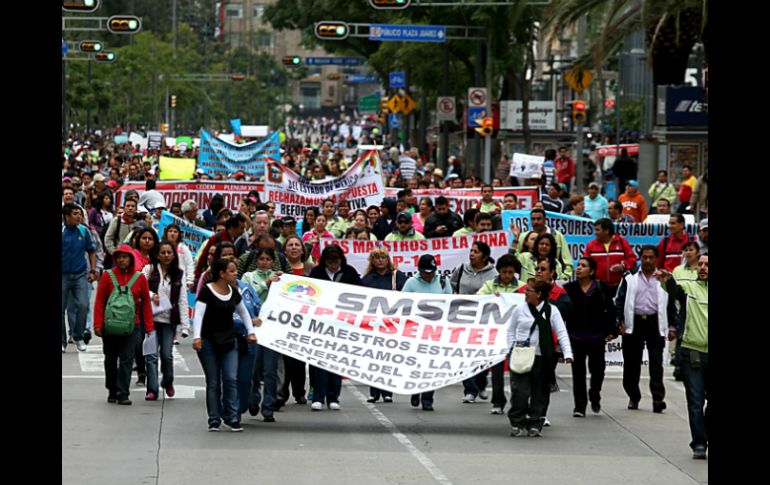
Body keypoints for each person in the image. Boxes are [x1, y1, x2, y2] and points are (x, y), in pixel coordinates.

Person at [193, 258, 259, 431]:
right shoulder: (207, 291)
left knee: (230, 378)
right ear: (222, 274)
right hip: (208, 342)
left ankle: (231, 416)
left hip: (229, 342)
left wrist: (250, 331)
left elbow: (244, 313)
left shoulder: (233, 292)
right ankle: (214, 419)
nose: (235, 273)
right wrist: (196, 337)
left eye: (235, 270)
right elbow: (199, 315)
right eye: (231, 271)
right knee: (213, 381)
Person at [507, 279, 573, 437]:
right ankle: (517, 421)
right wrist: (510, 350)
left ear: (539, 294)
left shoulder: (552, 310)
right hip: (522, 355)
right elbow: (511, 330)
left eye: (529, 290)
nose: (525, 292)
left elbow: (562, 332)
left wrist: (568, 353)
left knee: (540, 392)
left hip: (543, 357)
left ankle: (535, 423)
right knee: (520, 391)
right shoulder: (519, 310)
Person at [658, 254, 708, 459]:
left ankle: (702, 433)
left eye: (707, 265)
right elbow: (674, 290)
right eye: (701, 264)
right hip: (692, 352)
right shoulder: (688, 288)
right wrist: (667, 279)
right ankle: (699, 444)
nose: (703, 267)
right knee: (695, 400)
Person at [614, 245, 676, 413]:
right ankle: (634, 396)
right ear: (640, 258)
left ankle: (658, 399)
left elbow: (670, 304)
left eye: (651, 258)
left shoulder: (663, 278)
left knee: (656, 363)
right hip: (634, 323)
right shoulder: (630, 277)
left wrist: (672, 326)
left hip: (655, 322)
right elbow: (620, 300)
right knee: (632, 363)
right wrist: (619, 320)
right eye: (645, 257)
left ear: (656, 259)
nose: (648, 261)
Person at [93, 244, 154, 405]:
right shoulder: (107, 276)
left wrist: (149, 326)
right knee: (111, 359)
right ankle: (112, 389)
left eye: (125, 257)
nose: (122, 260)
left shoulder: (140, 278)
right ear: (115, 259)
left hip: (131, 325)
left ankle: (123, 393)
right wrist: (97, 324)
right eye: (119, 257)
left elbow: (146, 304)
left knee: (127, 359)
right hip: (110, 326)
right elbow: (99, 301)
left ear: (131, 259)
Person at [308, 245, 362, 410]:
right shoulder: (317, 273)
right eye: (329, 262)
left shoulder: (350, 273)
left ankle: (333, 397)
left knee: (336, 361)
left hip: (341, 325)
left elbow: (361, 295)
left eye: (336, 262)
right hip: (320, 324)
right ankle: (318, 396)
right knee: (318, 362)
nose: (333, 265)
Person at [564, 257, 618, 417]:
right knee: (578, 372)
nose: (579, 268)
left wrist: (612, 330)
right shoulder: (570, 288)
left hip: (596, 336)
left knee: (598, 370)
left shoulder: (601, 288)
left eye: (583, 266)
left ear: (592, 271)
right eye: (578, 265)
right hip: (575, 336)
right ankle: (579, 406)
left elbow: (610, 309)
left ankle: (595, 393)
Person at [477, 254, 525, 414]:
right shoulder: (490, 285)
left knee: (517, 370)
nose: (507, 276)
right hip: (496, 335)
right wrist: (491, 297)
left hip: (517, 335)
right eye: (504, 272)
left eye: (510, 272)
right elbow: (478, 299)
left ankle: (518, 402)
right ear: (499, 271)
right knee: (496, 369)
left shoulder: (522, 287)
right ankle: (497, 401)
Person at [403, 255, 452, 410]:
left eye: (431, 272)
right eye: (425, 272)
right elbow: (402, 304)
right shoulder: (411, 283)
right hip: (416, 330)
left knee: (431, 365)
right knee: (417, 364)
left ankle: (427, 398)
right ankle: (416, 389)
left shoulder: (443, 281)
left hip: (436, 331)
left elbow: (450, 304)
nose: (428, 275)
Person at [450, 241, 498, 403]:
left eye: (476, 252)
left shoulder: (494, 274)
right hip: (463, 318)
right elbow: (451, 286)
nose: (471, 254)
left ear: (484, 257)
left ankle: (481, 383)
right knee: (464, 355)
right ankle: (470, 390)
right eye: (471, 251)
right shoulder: (462, 269)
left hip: (483, 320)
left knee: (481, 355)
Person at [142, 241, 189, 401]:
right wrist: (150, 295)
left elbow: (182, 300)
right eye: (163, 252)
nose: (166, 255)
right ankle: (152, 389)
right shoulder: (149, 270)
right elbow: (139, 286)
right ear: (157, 254)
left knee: (167, 355)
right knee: (151, 355)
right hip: (151, 319)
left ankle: (168, 381)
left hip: (169, 320)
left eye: (169, 252)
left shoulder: (178, 274)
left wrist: (185, 326)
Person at [240, 249, 282, 423]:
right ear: (256, 261)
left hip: (272, 327)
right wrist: (266, 283)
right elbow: (249, 294)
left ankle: (269, 407)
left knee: (270, 370)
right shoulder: (248, 277)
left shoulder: (280, 278)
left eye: (268, 259)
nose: (265, 262)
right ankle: (253, 398)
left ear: (273, 262)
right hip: (254, 326)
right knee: (254, 369)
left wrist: (280, 281)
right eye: (261, 259)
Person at [361, 247, 407, 403]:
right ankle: (374, 392)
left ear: (388, 260)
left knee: (388, 358)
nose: (380, 260)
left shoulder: (398, 277)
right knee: (374, 358)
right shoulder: (367, 280)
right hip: (374, 324)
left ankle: (388, 391)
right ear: (372, 261)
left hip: (392, 324)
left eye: (383, 257)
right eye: (377, 257)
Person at [274, 235, 312, 409]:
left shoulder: (311, 269)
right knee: (284, 360)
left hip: (305, 320)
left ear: (303, 250)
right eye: (290, 245)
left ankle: (299, 392)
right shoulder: (279, 270)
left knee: (299, 359)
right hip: (284, 320)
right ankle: (281, 392)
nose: (294, 248)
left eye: (297, 245)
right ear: (285, 249)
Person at [62, 203, 98, 353]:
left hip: (80, 275)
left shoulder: (84, 231)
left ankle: (78, 336)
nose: (79, 216)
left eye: (80, 214)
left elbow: (91, 251)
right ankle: (62, 341)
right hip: (62, 275)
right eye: (75, 214)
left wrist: (93, 270)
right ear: (66, 216)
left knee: (83, 305)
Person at [511, 208, 574, 278]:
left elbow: (567, 261)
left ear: (545, 220)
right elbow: (514, 258)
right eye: (533, 219)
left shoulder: (557, 236)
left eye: (538, 219)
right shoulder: (523, 237)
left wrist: (563, 278)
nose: (536, 222)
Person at [583, 218, 637, 293]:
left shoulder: (622, 242)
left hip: (619, 286)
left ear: (606, 231)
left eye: (598, 230)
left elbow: (632, 260)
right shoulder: (591, 245)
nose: (595, 233)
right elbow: (585, 264)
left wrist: (623, 266)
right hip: (598, 288)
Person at [194, 214, 247, 287]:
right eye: (241, 228)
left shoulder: (236, 239)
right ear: (232, 227)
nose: (243, 231)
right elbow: (203, 257)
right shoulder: (218, 238)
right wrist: (197, 277)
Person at [161, 224, 195, 290]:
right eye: (170, 231)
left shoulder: (184, 248)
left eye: (175, 231)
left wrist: (190, 280)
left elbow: (189, 264)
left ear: (179, 234)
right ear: (166, 233)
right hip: (163, 279)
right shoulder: (160, 246)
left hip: (180, 280)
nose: (172, 233)